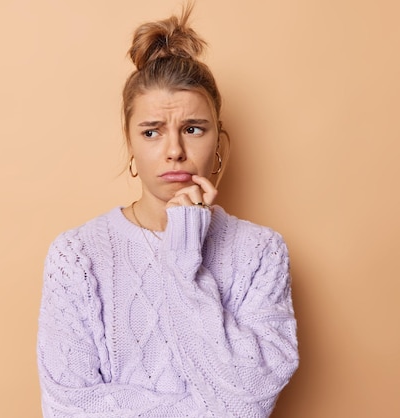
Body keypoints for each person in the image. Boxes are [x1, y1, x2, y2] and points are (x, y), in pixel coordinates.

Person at [37, 5, 299, 417]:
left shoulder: (261, 252)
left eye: (193, 129)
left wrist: (183, 260)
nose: (174, 150)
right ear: (130, 144)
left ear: (218, 141)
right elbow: (68, 407)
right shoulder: (77, 256)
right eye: (152, 132)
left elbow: (248, 401)